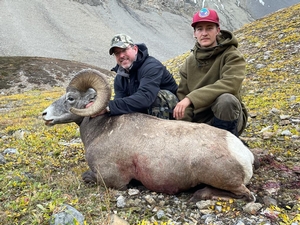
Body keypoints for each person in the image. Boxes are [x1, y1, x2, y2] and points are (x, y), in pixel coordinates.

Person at [173, 8, 248, 136]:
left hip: (226, 116)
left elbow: (230, 84)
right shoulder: (189, 62)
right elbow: (183, 95)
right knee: (181, 108)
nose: (204, 33)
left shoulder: (232, 55)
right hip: (200, 122)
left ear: (217, 30)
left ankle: (227, 144)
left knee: (226, 100)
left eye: (209, 28)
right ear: (194, 33)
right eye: (200, 29)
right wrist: (185, 129)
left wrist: (191, 98)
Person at [93, 34, 178, 119]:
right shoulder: (119, 78)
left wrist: (108, 107)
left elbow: (145, 98)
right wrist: (100, 107)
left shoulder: (151, 66)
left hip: (174, 112)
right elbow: (120, 102)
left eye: (124, 50)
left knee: (159, 96)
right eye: (117, 53)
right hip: (145, 112)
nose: (121, 55)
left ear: (135, 49)